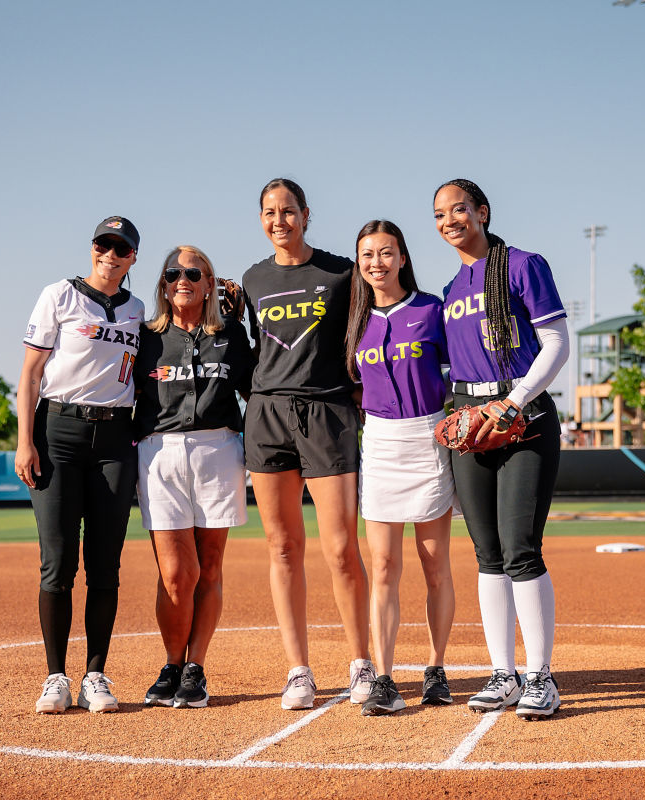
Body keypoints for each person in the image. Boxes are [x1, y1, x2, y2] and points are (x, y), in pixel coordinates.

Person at [433, 179, 569, 720]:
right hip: (471, 421)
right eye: (440, 214)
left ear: (482, 212)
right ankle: (504, 674)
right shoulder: (450, 289)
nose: (449, 220)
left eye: (459, 209)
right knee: (487, 556)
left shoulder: (522, 265)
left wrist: (513, 403)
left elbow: (556, 342)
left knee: (520, 550)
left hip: (523, 419)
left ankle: (541, 676)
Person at [243, 178, 374, 710]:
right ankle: (298, 670)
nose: (281, 220)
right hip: (267, 413)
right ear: (261, 219)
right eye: (271, 212)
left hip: (328, 412)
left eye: (289, 211)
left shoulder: (342, 272)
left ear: (306, 214)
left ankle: (361, 662)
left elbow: (370, 330)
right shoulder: (251, 280)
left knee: (342, 549)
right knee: (282, 547)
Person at [16, 216, 144, 715]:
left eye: (122, 248)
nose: (111, 254)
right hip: (59, 433)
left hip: (115, 437)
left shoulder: (137, 310)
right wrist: (25, 441)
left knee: (105, 563)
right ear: (92, 248)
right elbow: (29, 374)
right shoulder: (59, 296)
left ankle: (95, 674)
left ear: (133, 257)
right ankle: (55, 677)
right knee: (58, 561)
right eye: (103, 244)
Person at [134, 246, 254, 709]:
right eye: (173, 273)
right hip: (159, 451)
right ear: (163, 285)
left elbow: (255, 390)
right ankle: (170, 662)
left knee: (210, 567)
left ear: (210, 284)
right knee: (176, 574)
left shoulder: (231, 337)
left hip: (218, 449)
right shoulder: (146, 338)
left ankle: (195, 667)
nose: (182, 279)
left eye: (193, 273)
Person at [345, 220, 456, 716]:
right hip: (382, 442)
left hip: (428, 437)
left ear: (403, 258)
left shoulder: (433, 309)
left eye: (386, 253)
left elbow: (462, 369)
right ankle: (386, 677)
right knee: (384, 566)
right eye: (367, 254)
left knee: (435, 565)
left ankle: (435, 668)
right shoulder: (355, 320)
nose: (377, 263)